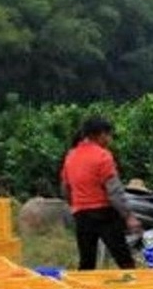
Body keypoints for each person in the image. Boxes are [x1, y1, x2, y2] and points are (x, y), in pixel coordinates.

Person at [60, 115, 141, 270]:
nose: (110, 139)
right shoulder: (103, 156)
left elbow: (65, 188)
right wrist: (129, 216)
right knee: (124, 260)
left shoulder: (71, 156)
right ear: (102, 134)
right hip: (104, 213)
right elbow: (114, 192)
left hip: (81, 214)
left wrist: (75, 204)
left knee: (87, 262)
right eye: (109, 135)